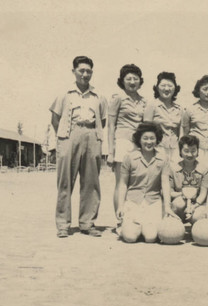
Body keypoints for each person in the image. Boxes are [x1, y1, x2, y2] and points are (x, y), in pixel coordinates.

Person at [50, 56, 107, 238]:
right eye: (81, 70)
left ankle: (87, 223)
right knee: (65, 181)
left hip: (92, 136)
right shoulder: (64, 94)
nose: (85, 74)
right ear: (73, 71)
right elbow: (55, 119)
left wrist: (90, 135)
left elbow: (103, 120)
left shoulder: (99, 97)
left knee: (91, 182)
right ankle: (63, 225)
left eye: (88, 71)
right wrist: (67, 137)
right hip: (69, 136)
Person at [117, 122, 167, 243]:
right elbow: (123, 184)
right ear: (139, 139)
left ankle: (143, 226)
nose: (148, 142)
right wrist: (120, 206)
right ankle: (130, 226)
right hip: (133, 201)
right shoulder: (129, 158)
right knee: (130, 237)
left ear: (157, 140)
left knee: (151, 237)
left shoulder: (163, 159)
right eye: (145, 138)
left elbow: (165, 184)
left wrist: (167, 208)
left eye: (152, 138)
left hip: (153, 202)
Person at [107, 64, 146, 219]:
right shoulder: (118, 99)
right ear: (122, 81)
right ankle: (119, 220)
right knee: (121, 183)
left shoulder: (144, 101)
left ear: (140, 81)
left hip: (139, 144)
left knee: (135, 183)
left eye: (135, 78)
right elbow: (110, 126)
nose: (132, 82)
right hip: (122, 142)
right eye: (128, 78)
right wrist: (110, 152)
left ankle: (133, 217)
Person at [162, 135, 208, 224]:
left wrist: (194, 207)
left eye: (193, 151)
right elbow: (170, 192)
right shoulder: (173, 169)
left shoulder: (204, 170)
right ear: (180, 152)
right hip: (179, 205)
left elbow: (203, 193)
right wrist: (183, 194)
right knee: (178, 203)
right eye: (186, 151)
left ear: (198, 151)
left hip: (197, 205)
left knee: (198, 217)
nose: (190, 154)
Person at [182, 75, 208, 168]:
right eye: (205, 89)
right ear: (198, 90)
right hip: (196, 150)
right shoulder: (190, 109)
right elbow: (186, 133)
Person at [143, 72, 183, 162]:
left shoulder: (179, 109)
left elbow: (180, 133)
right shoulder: (151, 106)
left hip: (175, 150)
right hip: (157, 149)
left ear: (175, 88)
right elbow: (145, 131)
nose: (166, 88)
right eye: (163, 85)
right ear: (157, 88)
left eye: (170, 86)